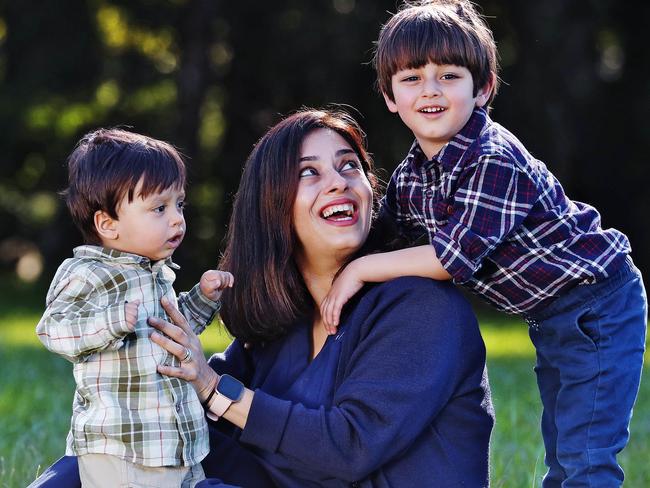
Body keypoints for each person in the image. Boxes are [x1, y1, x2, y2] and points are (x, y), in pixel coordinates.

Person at [30, 109, 494, 487]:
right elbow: (195, 414)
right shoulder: (281, 317)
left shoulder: (422, 307)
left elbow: (350, 446)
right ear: (272, 203)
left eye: (349, 165)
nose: (338, 181)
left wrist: (214, 388)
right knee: (100, 465)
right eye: (308, 173)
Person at [318, 2, 648, 487]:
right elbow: (384, 237)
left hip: (597, 303)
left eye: (448, 76)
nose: (430, 90)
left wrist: (359, 271)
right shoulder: (413, 173)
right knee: (565, 445)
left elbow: (453, 258)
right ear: (389, 96)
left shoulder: (492, 159)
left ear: (483, 88)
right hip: (556, 313)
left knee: (585, 454)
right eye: (411, 78)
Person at [35, 128, 233, 488]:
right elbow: (53, 330)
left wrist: (203, 297)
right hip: (122, 451)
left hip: (174, 445)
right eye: (159, 208)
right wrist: (110, 322)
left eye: (179, 204)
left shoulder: (158, 273)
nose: (177, 219)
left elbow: (174, 331)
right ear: (107, 224)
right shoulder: (88, 272)